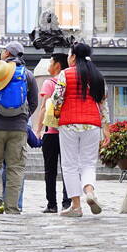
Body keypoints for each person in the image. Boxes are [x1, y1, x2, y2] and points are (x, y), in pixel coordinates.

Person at [0, 41, 38, 216]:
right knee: (15, 168)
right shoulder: (28, 75)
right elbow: (34, 102)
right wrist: (23, 116)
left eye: (3, 50)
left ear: (8, 53)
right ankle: (12, 208)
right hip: (19, 128)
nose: (1, 52)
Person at [54, 41, 109, 218]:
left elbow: (57, 99)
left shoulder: (65, 74)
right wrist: (106, 129)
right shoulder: (98, 77)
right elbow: (103, 104)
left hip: (69, 123)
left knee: (69, 165)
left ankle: (76, 206)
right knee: (88, 163)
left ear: (74, 57)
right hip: (92, 124)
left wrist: (55, 115)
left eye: (70, 55)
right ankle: (90, 192)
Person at [34, 52, 70, 213]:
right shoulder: (70, 82)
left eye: (50, 62)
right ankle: (67, 202)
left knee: (50, 171)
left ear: (57, 65)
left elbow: (43, 108)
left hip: (51, 133)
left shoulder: (50, 83)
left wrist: (38, 129)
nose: (48, 66)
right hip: (68, 132)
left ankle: (52, 204)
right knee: (68, 169)